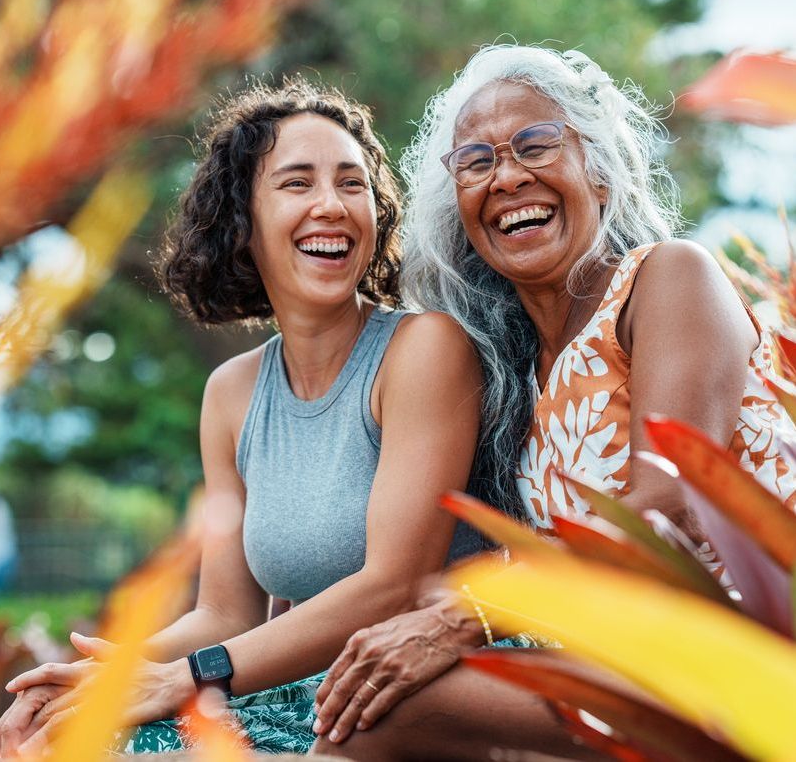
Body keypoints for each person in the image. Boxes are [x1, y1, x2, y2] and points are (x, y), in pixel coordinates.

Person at [311, 44, 796, 761]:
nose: (507, 176)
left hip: (742, 667)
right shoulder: (509, 379)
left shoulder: (667, 280)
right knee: (360, 696)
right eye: (476, 162)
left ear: (599, 173)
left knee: (389, 713)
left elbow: (661, 512)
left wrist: (457, 622)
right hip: (624, 669)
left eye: (535, 144)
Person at [0, 77, 492, 757]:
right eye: (296, 184)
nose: (331, 206)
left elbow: (392, 585)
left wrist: (188, 676)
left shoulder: (423, 349)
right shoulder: (231, 392)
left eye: (351, 184)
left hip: (410, 705)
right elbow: (224, 613)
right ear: (242, 224)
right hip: (301, 702)